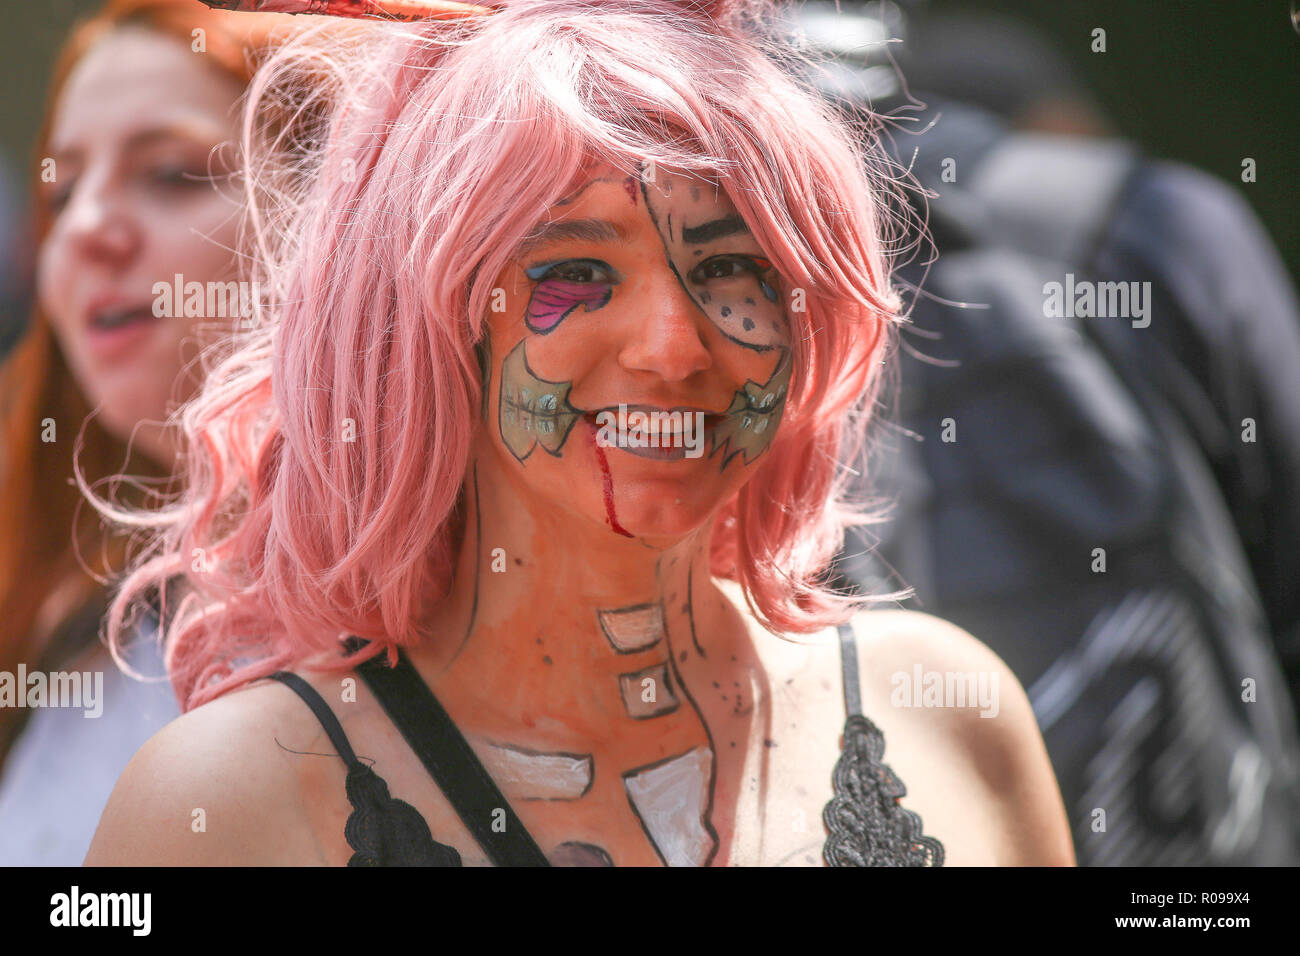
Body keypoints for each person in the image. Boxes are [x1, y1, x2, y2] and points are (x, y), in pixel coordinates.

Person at [85, 0, 1075, 866]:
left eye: (735, 267)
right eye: (577, 270)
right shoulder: (227, 801)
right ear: (429, 326)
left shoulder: (948, 712)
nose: (672, 346)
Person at [0, 0, 305, 865]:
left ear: (342, 208)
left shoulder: (476, 628)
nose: (87, 228)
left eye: (171, 174)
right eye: (59, 193)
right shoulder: (63, 615)